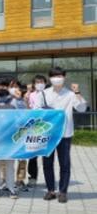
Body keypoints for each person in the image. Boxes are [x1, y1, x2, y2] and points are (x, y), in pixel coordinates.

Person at [35, 67, 87, 203]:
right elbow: (36, 111)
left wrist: (77, 92)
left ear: (64, 77)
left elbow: (81, 108)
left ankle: (63, 192)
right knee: (47, 163)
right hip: (48, 134)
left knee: (64, 164)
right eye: (54, 76)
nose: (57, 78)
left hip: (65, 133)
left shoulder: (70, 94)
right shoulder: (43, 94)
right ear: (50, 78)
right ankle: (50, 190)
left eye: (59, 76)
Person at [0, 78, 23, 199]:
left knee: (10, 164)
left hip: (10, 137)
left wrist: (20, 99)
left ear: (8, 88)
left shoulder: (14, 100)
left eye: (4, 86)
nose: (1, 88)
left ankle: (11, 188)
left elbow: (21, 115)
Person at [25, 75, 49, 187]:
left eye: (41, 82)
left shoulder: (49, 94)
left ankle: (49, 179)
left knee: (47, 155)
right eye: (37, 82)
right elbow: (28, 109)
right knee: (33, 154)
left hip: (47, 125)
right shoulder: (31, 95)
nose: (39, 84)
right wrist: (26, 99)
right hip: (34, 126)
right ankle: (32, 178)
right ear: (34, 84)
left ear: (45, 83)